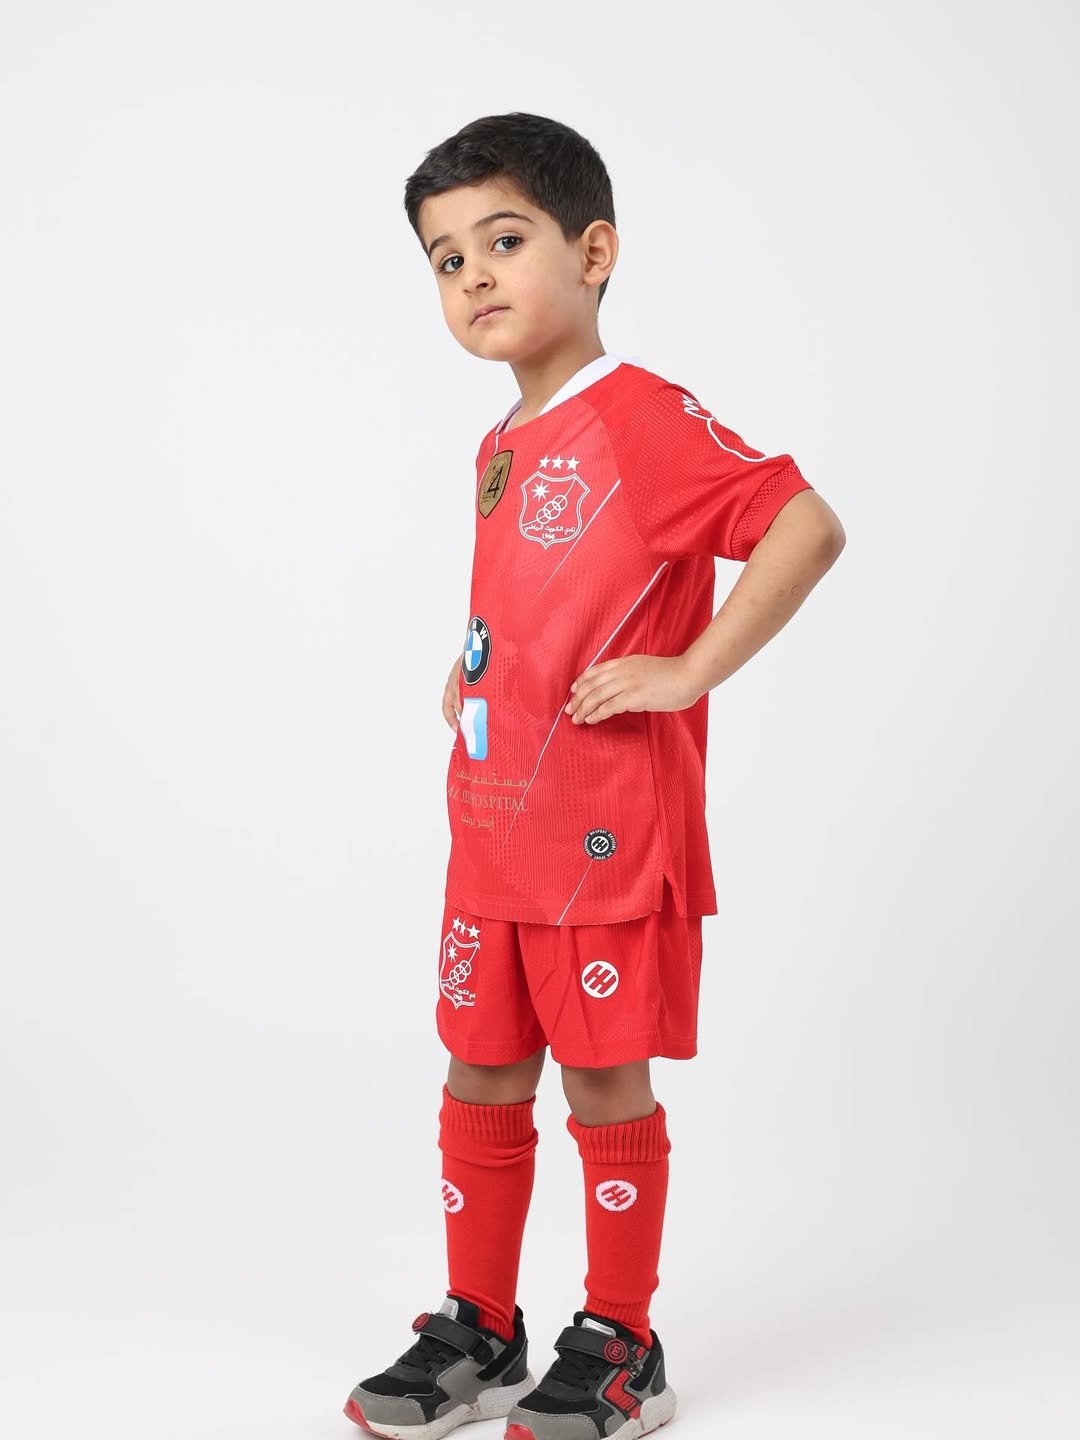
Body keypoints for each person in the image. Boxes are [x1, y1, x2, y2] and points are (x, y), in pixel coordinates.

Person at [344, 111, 845, 1440]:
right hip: (491, 827)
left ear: (595, 250)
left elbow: (803, 524)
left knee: (602, 1081)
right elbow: (546, 590)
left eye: (503, 240)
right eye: (447, 259)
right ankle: (478, 1323)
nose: (474, 276)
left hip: (604, 834)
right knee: (479, 1068)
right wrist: (475, 667)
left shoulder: (644, 416)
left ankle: (623, 1341)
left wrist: (693, 668)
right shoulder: (501, 443)